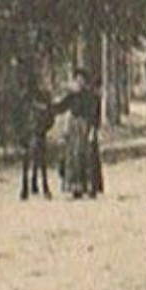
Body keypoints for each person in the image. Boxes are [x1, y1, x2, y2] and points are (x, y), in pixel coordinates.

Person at [53, 69, 102, 199]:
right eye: (77, 79)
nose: (79, 82)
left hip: (85, 127)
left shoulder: (90, 96)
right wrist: (49, 105)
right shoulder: (71, 96)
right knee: (73, 158)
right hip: (73, 129)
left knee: (87, 157)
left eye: (81, 80)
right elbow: (60, 107)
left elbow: (94, 114)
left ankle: (90, 187)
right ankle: (75, 188)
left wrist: (93, 129)